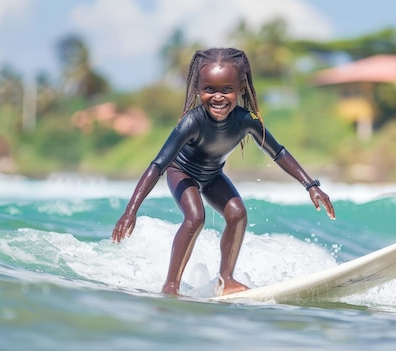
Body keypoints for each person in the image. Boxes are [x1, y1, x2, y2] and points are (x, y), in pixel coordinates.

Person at [112, 48, 335, 296]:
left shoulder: (247, 120)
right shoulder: (192, 122)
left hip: (211, 175)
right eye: (209, 89)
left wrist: (311, 185)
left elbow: (278, 152)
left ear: (240, 88)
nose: (218, 97)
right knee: (195, 217)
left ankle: (226, 279)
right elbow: (157, 165)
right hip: (181, 171)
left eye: (226, 89)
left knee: (238, 213)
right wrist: (130, 210)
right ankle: (171, 285)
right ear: (198, 89)